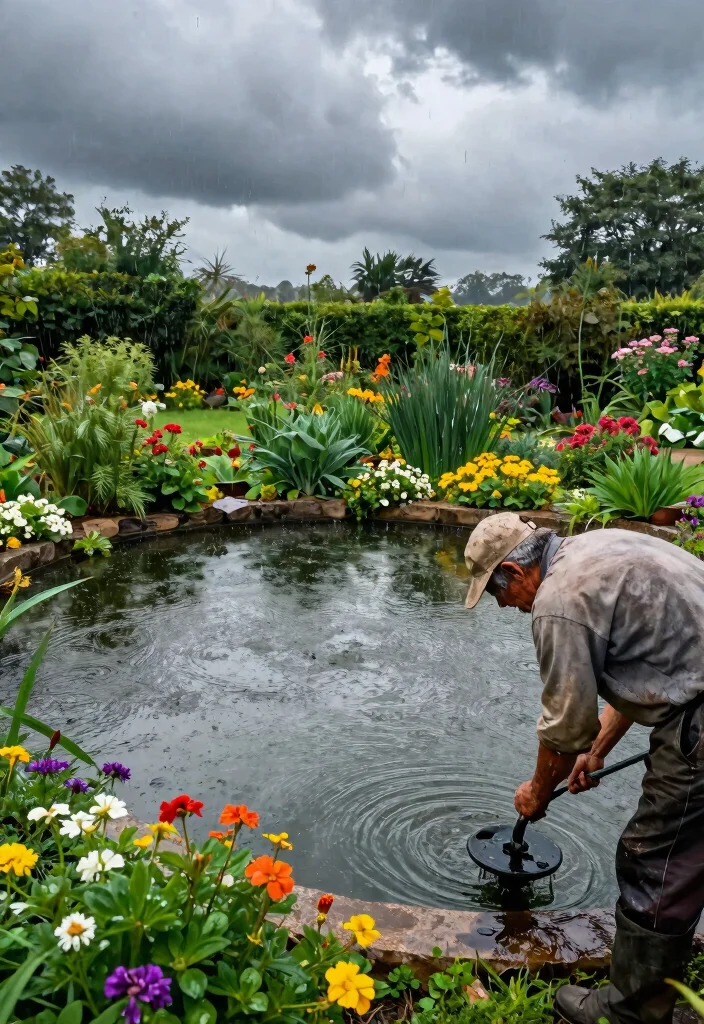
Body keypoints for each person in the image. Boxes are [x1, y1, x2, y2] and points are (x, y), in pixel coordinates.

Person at [463, 512, 704, 1024]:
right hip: (693, 694)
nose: (503, 606)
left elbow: (563, 728)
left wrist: (536, 792)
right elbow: (647, 666)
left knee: (654, 859)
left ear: (514, 569)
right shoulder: (597, 547)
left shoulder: (558, 603)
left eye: (495, 592)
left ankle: (630, 1013)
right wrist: (598, 749)